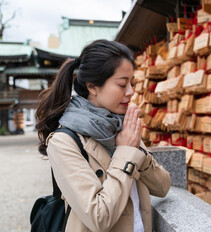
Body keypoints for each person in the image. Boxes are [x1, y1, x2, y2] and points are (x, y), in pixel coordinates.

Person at [35, 39, 171, 232]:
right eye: (122, 84)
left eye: (132, 83)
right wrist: (125, 153)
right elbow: (99, 218)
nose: (131, 92)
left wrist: (136, 150)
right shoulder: (64, 142)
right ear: (92, 86)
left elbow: (163, 187)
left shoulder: (121, 126)